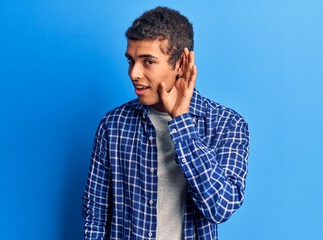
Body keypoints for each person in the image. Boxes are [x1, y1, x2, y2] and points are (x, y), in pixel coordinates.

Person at [82, 6, 249, 240]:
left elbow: (219, 208)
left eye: (148, 61)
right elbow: (96, 213)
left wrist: (181, 122)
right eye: (131, 61)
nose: (134, 73)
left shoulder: (226, 124)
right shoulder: (113, 125)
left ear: (181, 64)